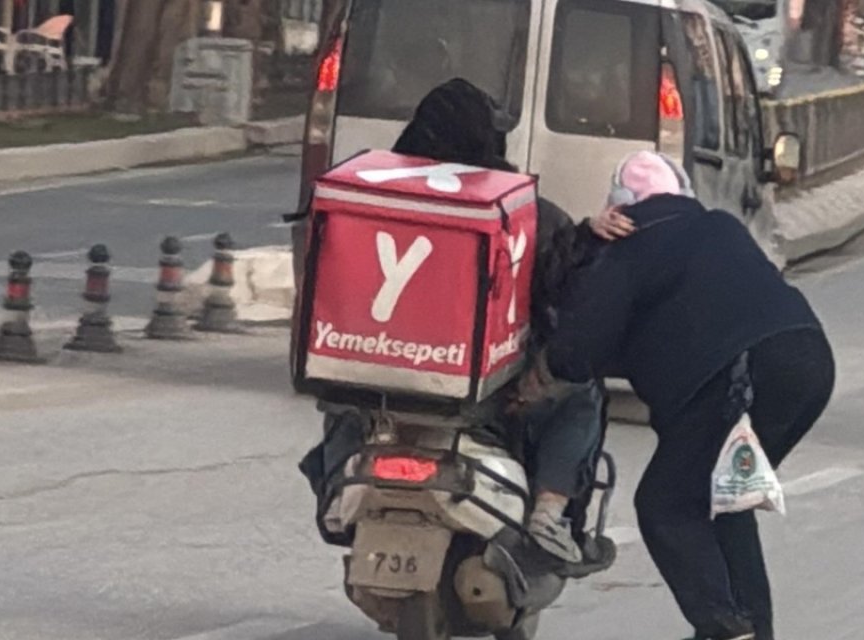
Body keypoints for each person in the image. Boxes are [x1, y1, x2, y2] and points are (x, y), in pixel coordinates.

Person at [301, 78, 627, 564]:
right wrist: (589, 237)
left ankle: (335, 491)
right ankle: (549, 513)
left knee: (347, 397)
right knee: (582, 393)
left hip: (384, 381)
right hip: (484, 396)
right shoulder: (520, 209)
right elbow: (566, 280)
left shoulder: (375, 196)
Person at [535, 151, 836, 640]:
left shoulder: (627, 249)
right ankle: (752, 630)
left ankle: (723, 627)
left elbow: (576, 352)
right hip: (809, 361)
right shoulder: (721, 225)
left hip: (736, 377)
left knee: (666, 505)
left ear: (621, 206)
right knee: (723, 498)